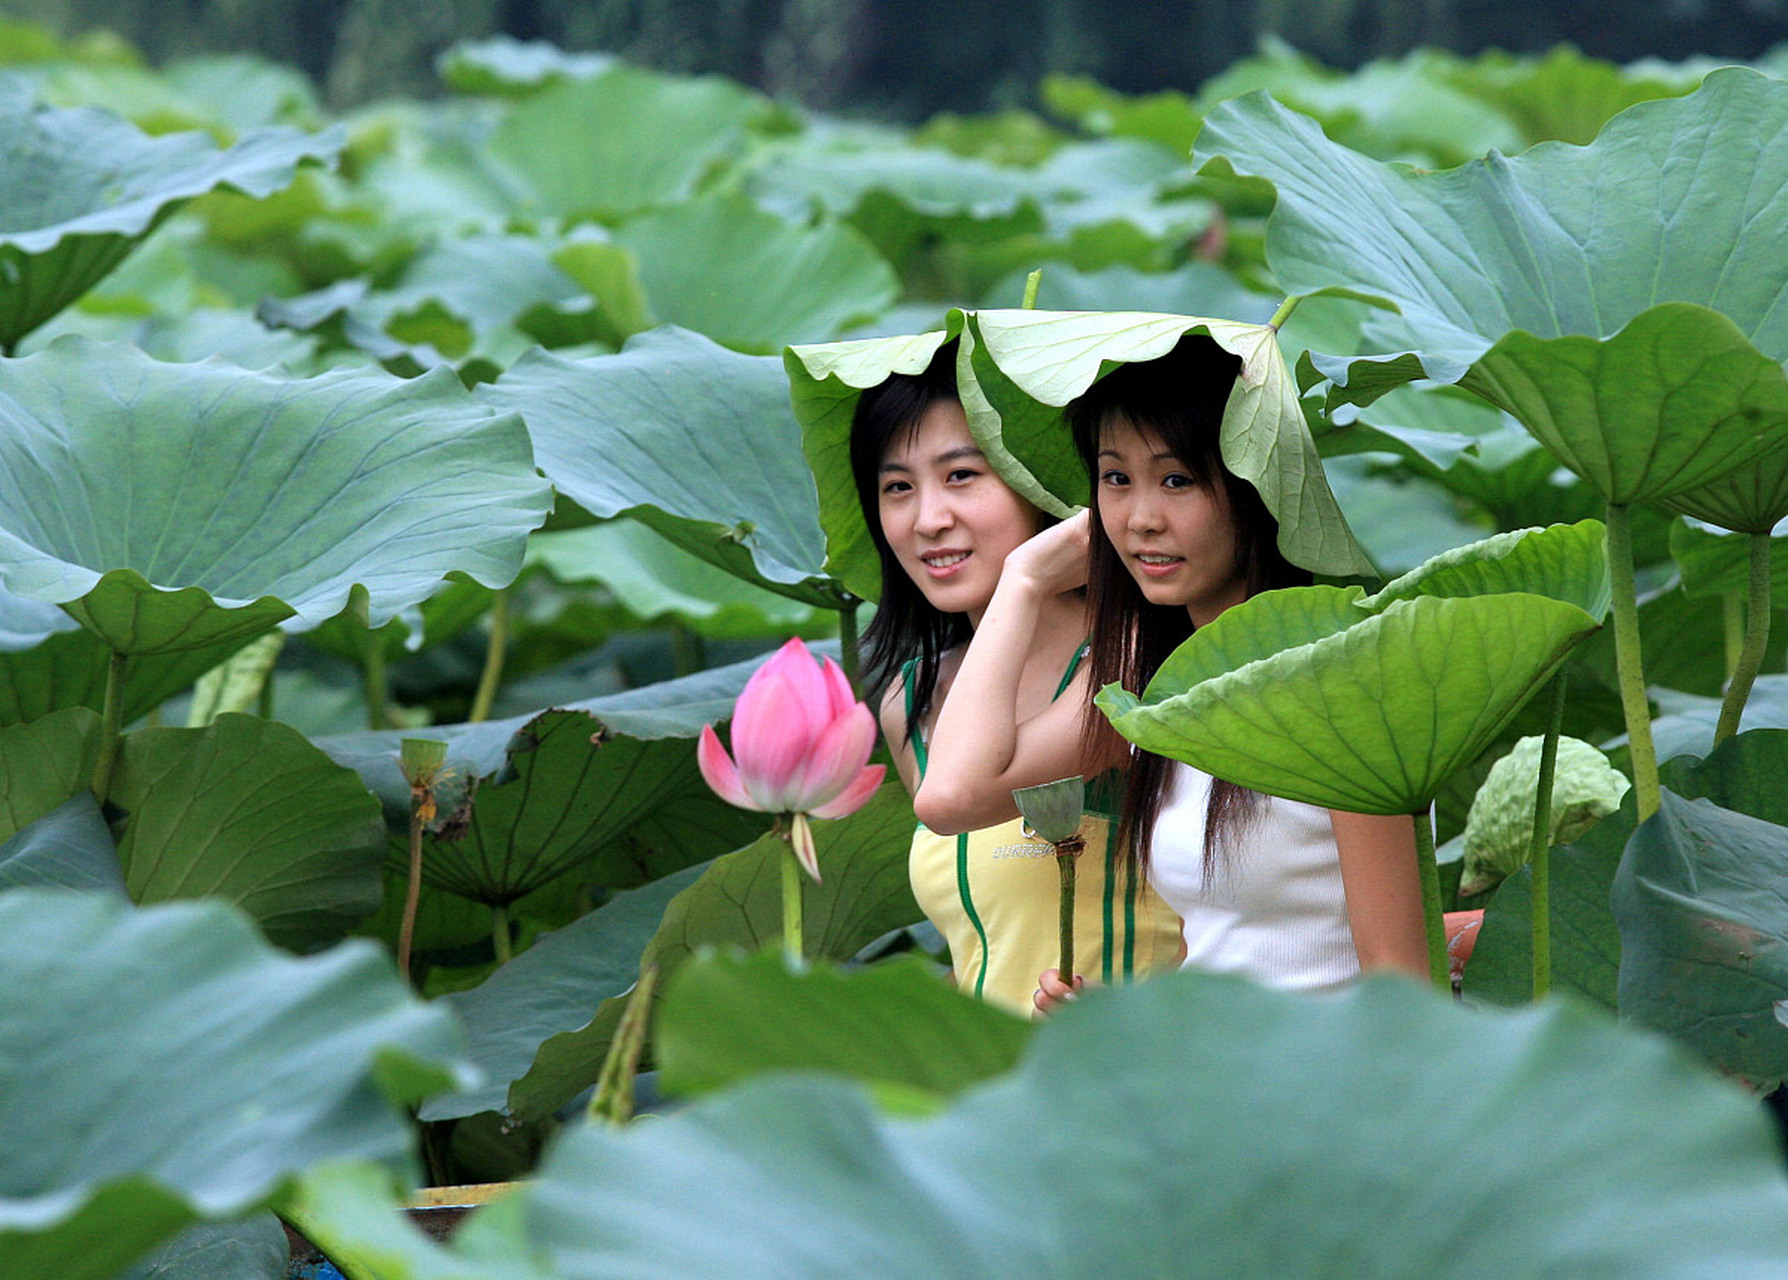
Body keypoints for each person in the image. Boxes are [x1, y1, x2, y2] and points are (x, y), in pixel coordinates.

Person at [1009, 335, 1430, 1013]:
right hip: (1216, 1089)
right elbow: (1218, 945)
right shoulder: (1161, 698)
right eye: (1116, 478)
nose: (1140, 519)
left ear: (1255, 487)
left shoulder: (1346, 689)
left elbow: (1401, 986)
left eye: (1177, 480)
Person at [848, 341, 1183, 1016]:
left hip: (1141, 1084)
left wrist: (1025, 581)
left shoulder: (1138, 668)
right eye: (897, 487)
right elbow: (984, 947)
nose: (928, 519)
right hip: (988, 1099)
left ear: (1039, 482)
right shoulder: (909, 700)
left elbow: (956, 797)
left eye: (962, 476)